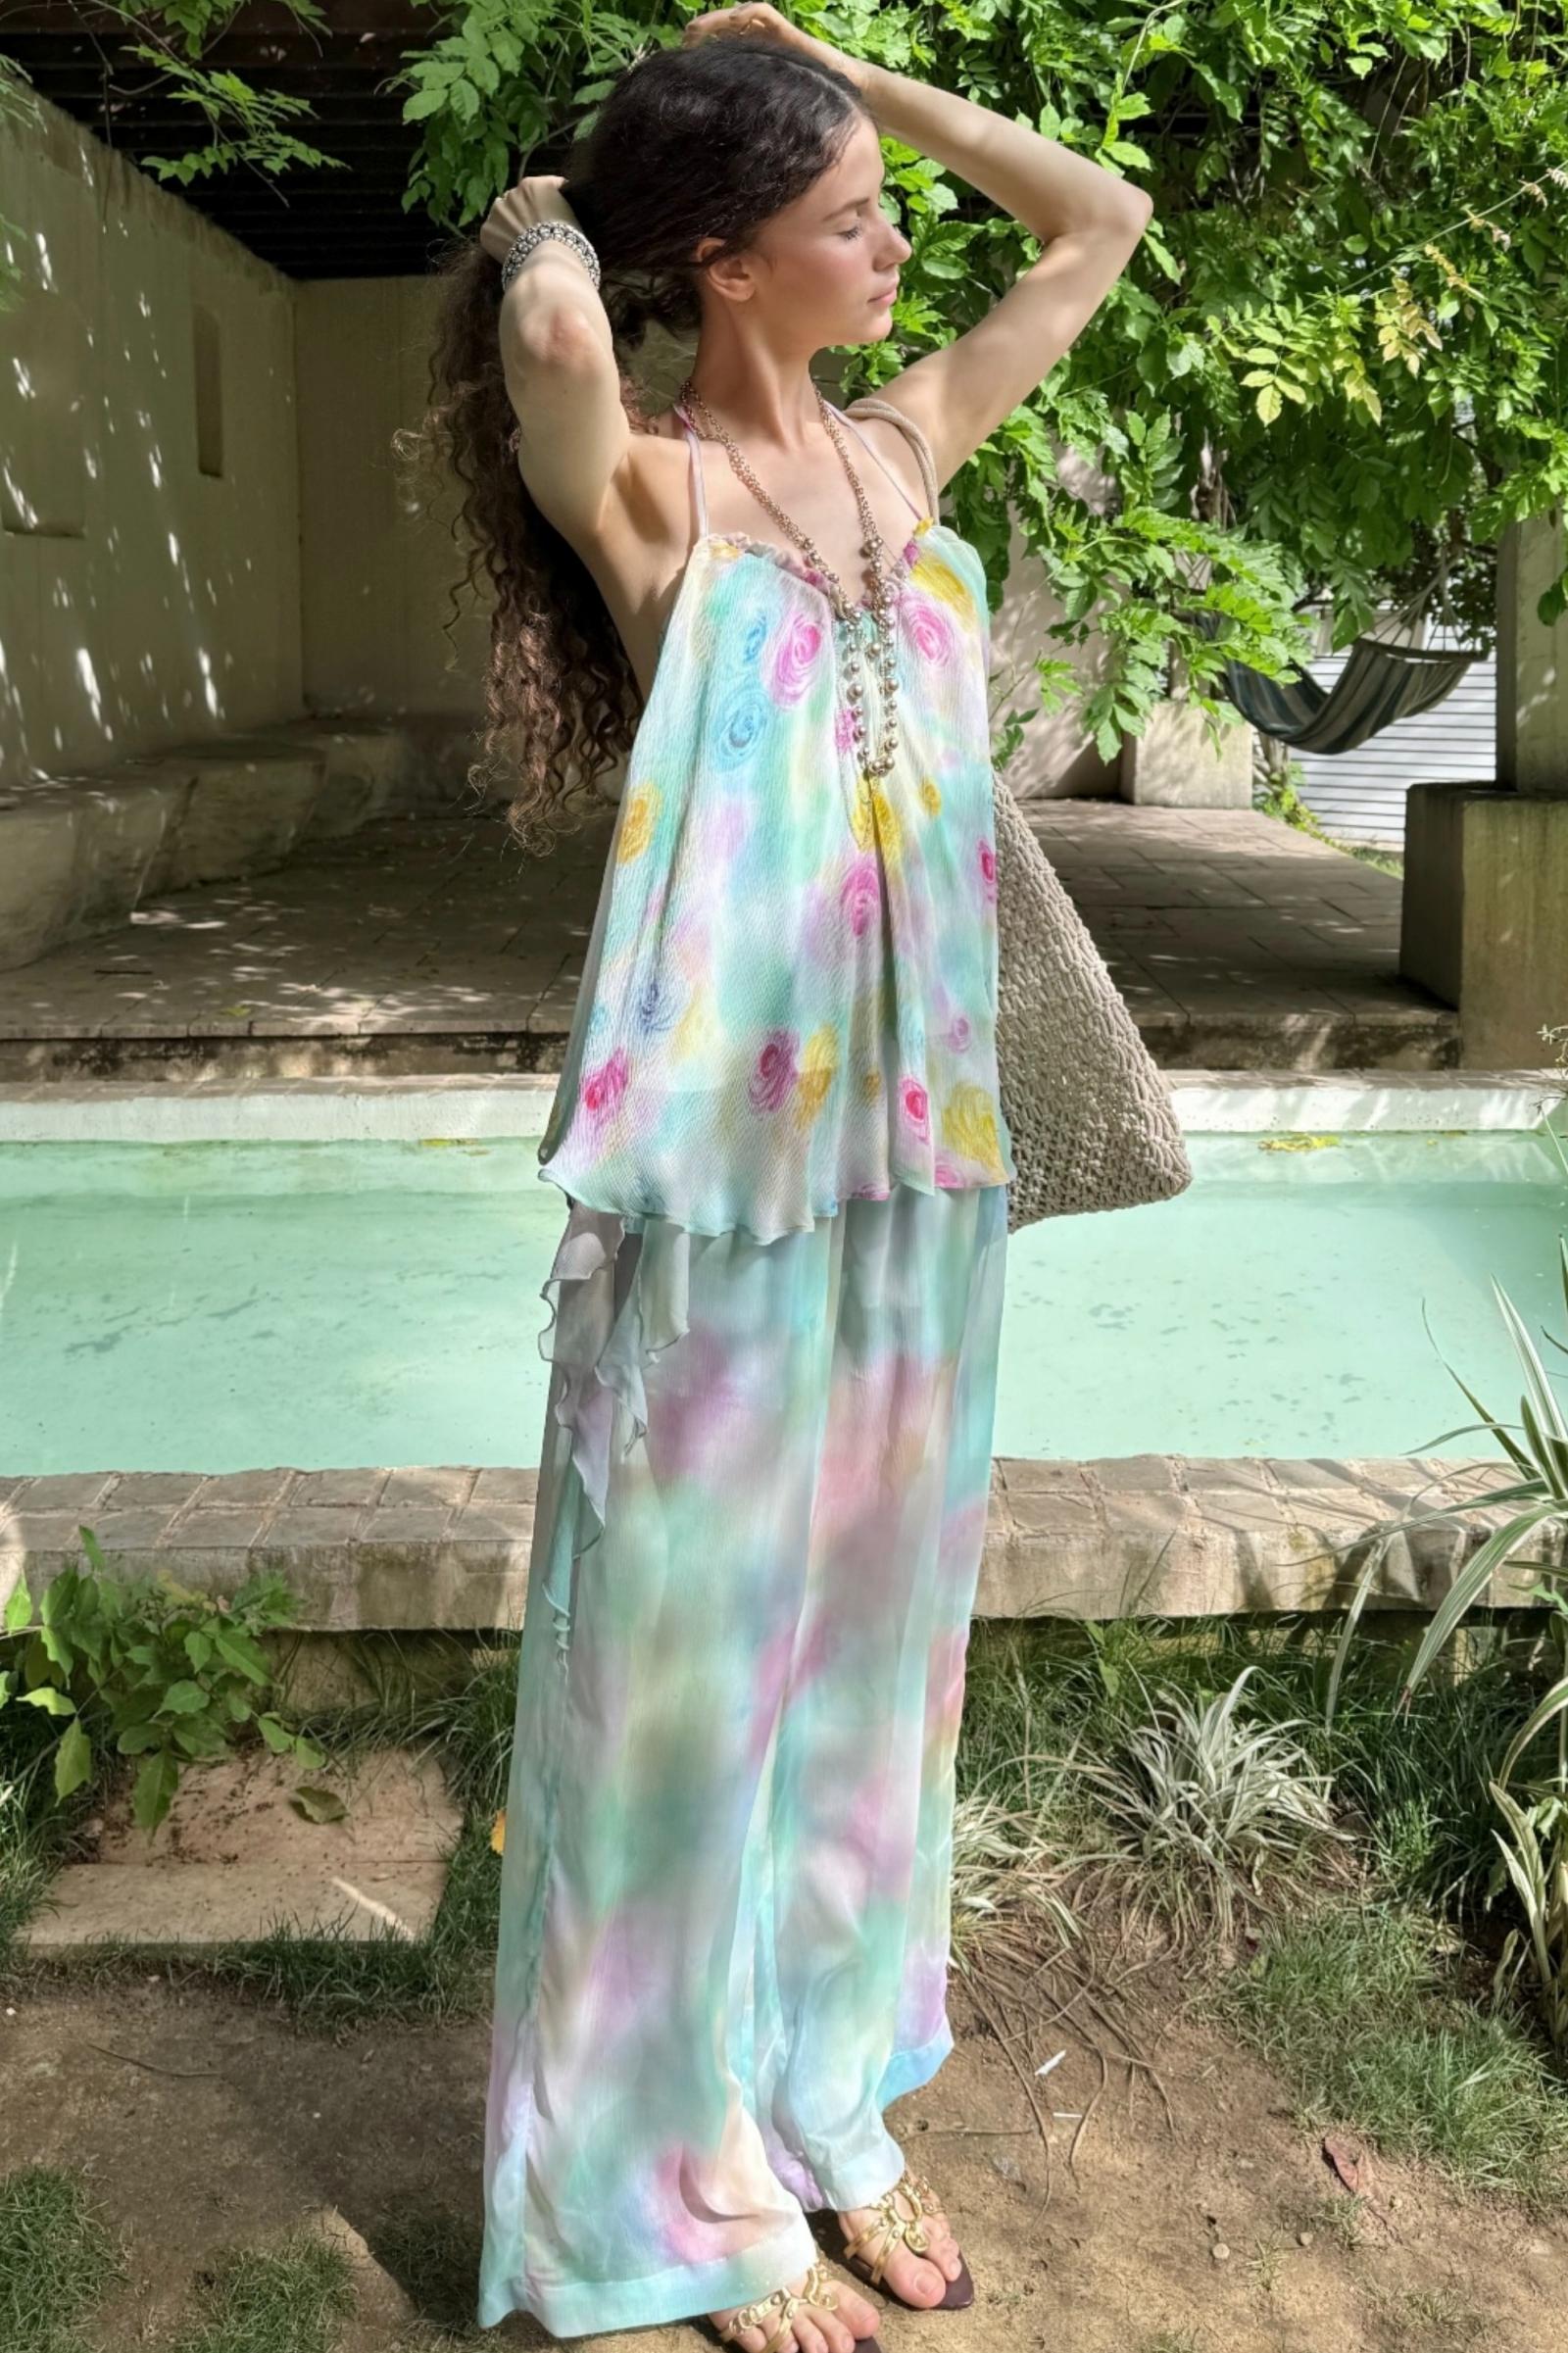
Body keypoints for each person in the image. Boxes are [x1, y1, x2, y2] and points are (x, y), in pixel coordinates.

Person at [411, 9, 1151, 2345]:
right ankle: (674, 2181)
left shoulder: (902, 451)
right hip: (726, 1180)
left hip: (921, 1170)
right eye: (846, 219)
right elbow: (552, 328)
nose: (896, 244)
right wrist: (564, 204)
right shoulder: (646, 496)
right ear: (725, 265)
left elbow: (1096, 223)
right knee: (678, 1672)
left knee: (868, 1667)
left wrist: (839, 71)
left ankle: (823, 2092)